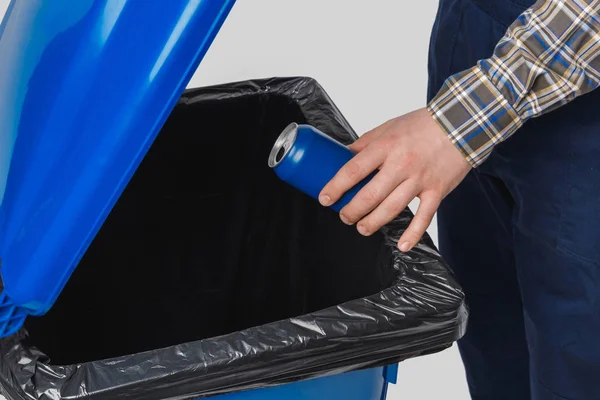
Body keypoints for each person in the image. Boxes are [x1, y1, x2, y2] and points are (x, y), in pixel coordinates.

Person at [319, 0, 600, 399]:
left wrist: (458, 121)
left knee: (578, 372)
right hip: (476, 51)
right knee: (495, 354)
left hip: (571, 90)